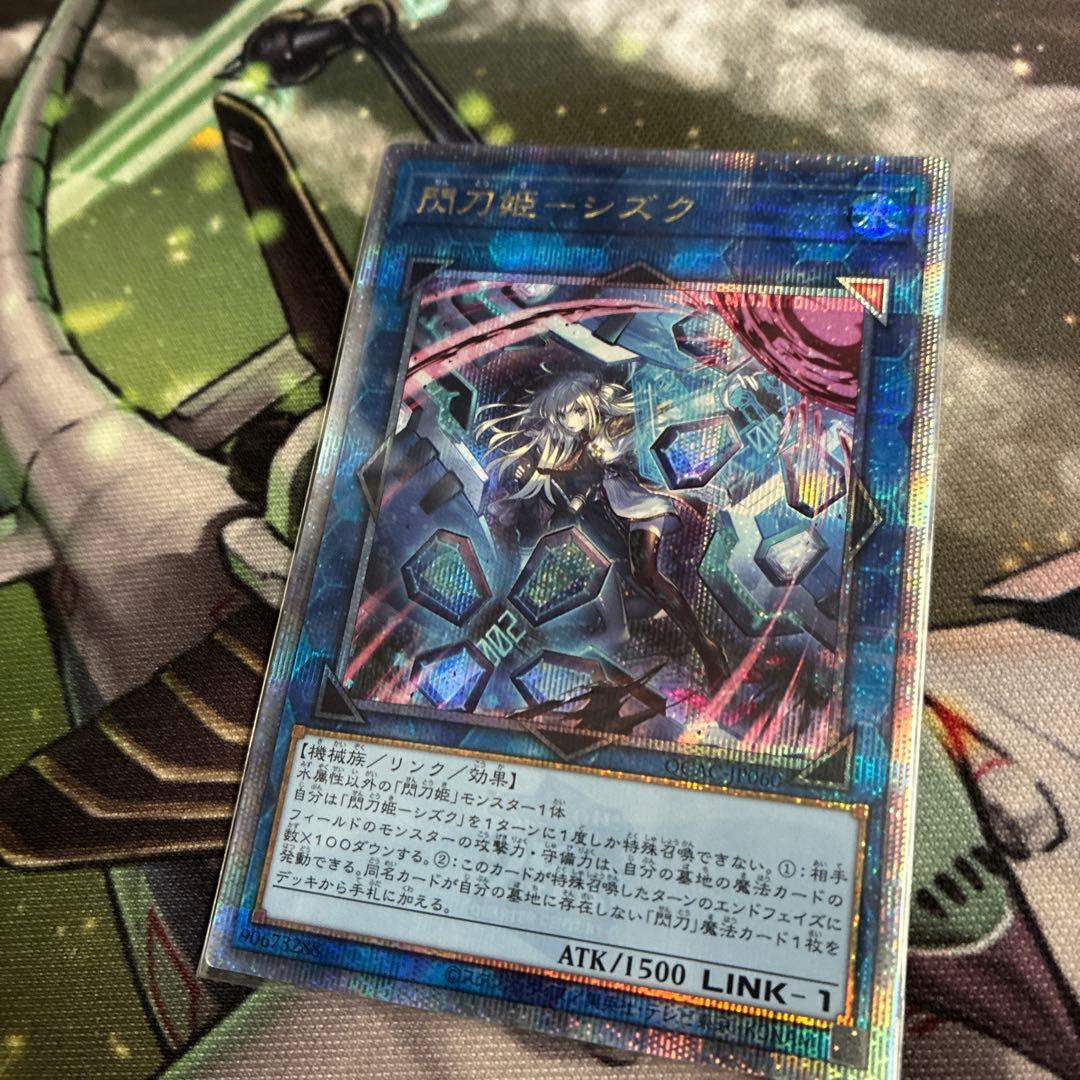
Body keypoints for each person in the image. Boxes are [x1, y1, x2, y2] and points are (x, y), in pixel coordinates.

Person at [477, 367, 729, 688]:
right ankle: (625, 628)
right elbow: (559, 494)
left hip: (638, 508)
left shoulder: (609, 433)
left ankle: (706, 649)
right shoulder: (562, 452)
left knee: (645, 572)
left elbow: (648, 431)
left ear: (591, 406)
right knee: (635, 598)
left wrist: (616, 457)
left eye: (578, 410)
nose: (572, 419)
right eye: (565, 413)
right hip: (605, 528)